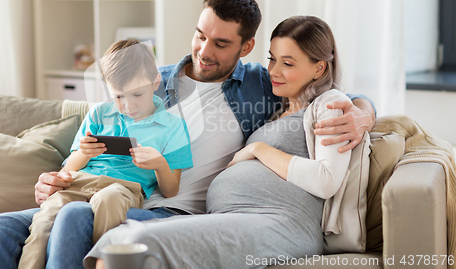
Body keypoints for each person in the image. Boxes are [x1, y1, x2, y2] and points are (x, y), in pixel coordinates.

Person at [0, 0, 376, 269]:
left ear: (246, 47)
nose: (204, 50)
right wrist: (55, 179)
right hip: (105, 189)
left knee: (76, 218)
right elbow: (91, 138)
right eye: (201, 35)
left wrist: (363, 113)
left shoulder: (261, 85)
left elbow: (327, 90)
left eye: (221, 43)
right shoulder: (149, 80)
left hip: (168, 211)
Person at [88, 15, 358, 269]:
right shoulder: (274, 104)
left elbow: (326, 179)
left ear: (319, 68)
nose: (273, 71)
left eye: (287, 64)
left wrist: (257, 149)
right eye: (272, 59)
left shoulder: (329, 104)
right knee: (119, 239)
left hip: (277, 223)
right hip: (228, 216)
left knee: (133, 242)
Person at [16, 40, 193, 269]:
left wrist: (159, 164)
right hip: (80, 183)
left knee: (108, 199)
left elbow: (171, 190)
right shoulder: (99, 113)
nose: (128, 105)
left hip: (123, 188)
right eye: (118, 97)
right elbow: (68, 169)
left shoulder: (173, 125)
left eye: (137, 94)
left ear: (155, 81)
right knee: (46, 217)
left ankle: (103, 263)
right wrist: (83, 153)